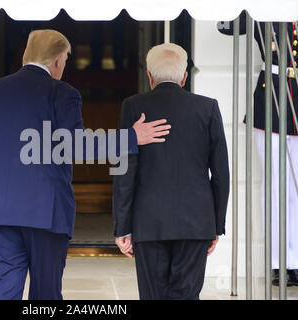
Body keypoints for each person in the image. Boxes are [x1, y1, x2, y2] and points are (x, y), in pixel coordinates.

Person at [0, 29, 171, 300]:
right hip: (45, 213)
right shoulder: (63, 93)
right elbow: (75, 146)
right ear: (59, 60)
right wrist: (133, 137)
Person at [113, 43, 230, 300]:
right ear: (185, 76)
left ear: (149, 76)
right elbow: (221, 173)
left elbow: (124, 171)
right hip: (196, 223)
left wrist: (122, 226)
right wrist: (216, 225)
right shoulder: (208, 107)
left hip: (148, 222)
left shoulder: (133, 106)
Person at [218, 13, 298, 286]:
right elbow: (227, 25)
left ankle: (296, 259)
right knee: (275, 184)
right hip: (271, 97)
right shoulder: (267, 7)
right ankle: (279, 263)